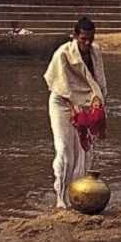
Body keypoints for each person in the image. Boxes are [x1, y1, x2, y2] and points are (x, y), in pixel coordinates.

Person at [43, 16, 106, 210]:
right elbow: (60, 85)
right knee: (64, 150)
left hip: (85, 103)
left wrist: (97, 101)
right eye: (83, 39)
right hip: (62, 103)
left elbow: (98, 81)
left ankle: (78, 196)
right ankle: (61, 198)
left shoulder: (95, 51)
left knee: (84, 154)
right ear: (75, 36)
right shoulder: (63, 53)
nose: (87, 43)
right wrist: (73, 107)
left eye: (90, 39)